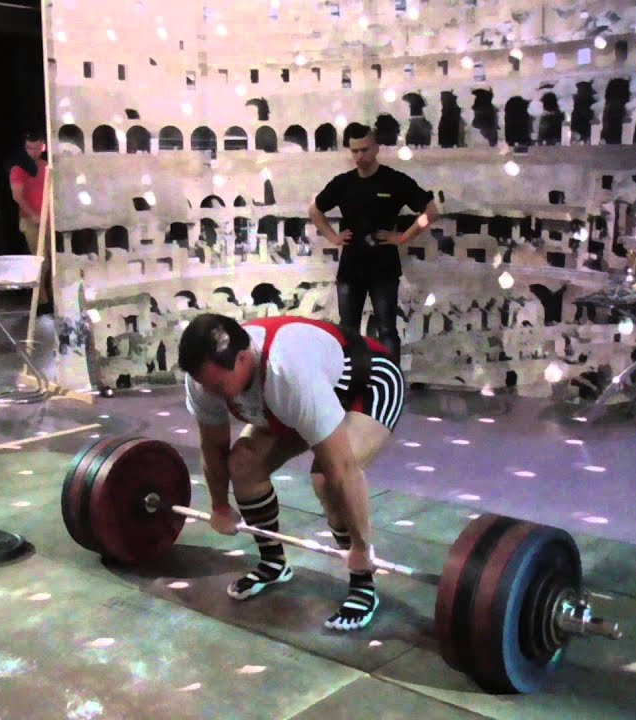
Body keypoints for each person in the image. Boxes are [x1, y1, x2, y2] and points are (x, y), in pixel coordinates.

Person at [179, 313, 406, 632]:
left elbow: (343, 472)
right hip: (303, 391)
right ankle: (273, 564)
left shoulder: (288, 373)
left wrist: (361, 547)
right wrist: (219, 505)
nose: (210, 392)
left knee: (326, 478)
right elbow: (213, 447)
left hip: (367, 383)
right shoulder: (205, 380)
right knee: (244, 463)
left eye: (217, 385)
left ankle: (362, 582)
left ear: (243, 358)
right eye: (205, 384)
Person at [309, 123, 440, 362]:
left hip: (384, 269)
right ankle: (351, 378)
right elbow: (315, 211)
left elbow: (431, 211)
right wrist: (333, 237)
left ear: (376, 148)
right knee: (347, 330)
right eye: (355, 151)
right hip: (351, 269)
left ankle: (391, 379)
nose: (360, 155)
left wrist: (403, 237)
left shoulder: (394, 181)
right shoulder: (343, 183)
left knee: (387, 330)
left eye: (365, 149)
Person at [9, 132, 51, 313]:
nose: (33, 152)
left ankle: (51, 298)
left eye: (36, 148)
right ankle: (41, 301)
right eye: (29, 148)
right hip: (31, 221)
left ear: (43, 147)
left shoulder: (46, 166)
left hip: (49, 220)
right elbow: (17, 196)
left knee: (52, 261)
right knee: (40, 262)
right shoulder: (19, 169)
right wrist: (33, 215)